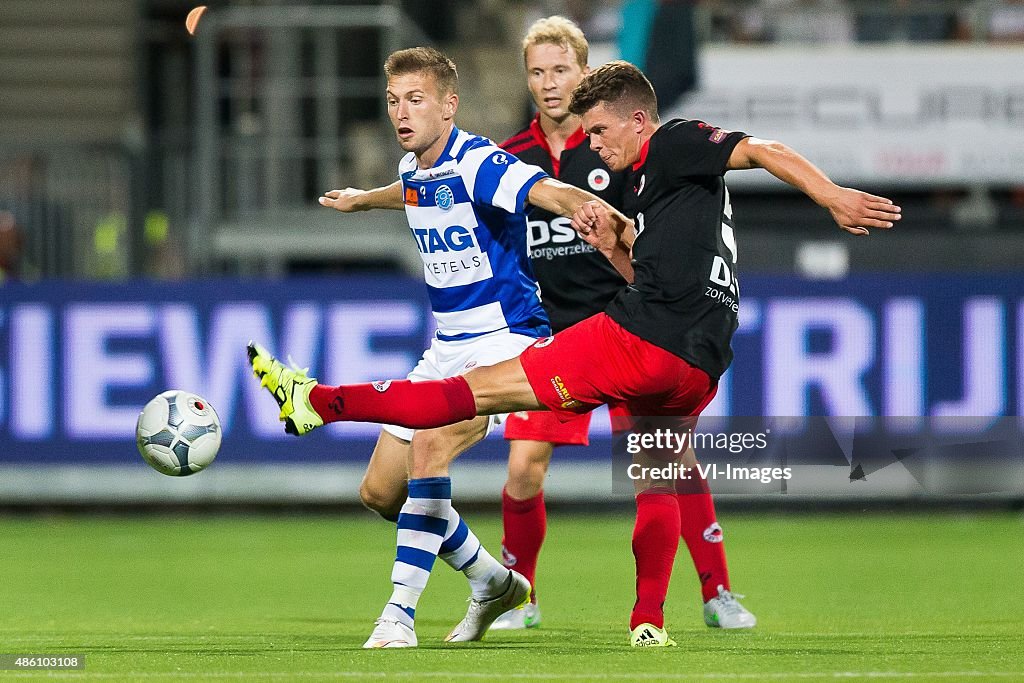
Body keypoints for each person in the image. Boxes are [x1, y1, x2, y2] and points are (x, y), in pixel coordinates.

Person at [249, 60, 901, 647]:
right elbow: (646, 257)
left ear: (637, 120)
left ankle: (321, 405)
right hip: (700, 359)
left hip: (628, 338)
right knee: (657, 474)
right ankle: (643, 618)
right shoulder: (656, 188)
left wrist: (833, 196)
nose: (592, 143)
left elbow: (759, 149)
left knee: (466, 399)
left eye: (598, 131)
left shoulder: (670, 143)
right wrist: (368, 200)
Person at [308, 46, 627, 649]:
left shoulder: (480, 161)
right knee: (380, 493)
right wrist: (360, 200)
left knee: (431, 444)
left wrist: (597, 213)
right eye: (393, 102)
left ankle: (398, 617)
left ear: (448, 105)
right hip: (447, 344)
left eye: (416, 100)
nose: (401, 113)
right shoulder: (414, 168)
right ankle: (492, 580)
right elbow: (407, 190)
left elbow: (545, 190)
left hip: (506, 340)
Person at [489, 15, 754, 633]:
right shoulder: (510, 158)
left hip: (629, 326)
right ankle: (520, 597)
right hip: (552, 331)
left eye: (561, 70)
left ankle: (717, 592)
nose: (549, 83)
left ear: (585, 76)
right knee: (525, 464)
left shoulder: (619, 148)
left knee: (668, 462)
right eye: (537, 72)